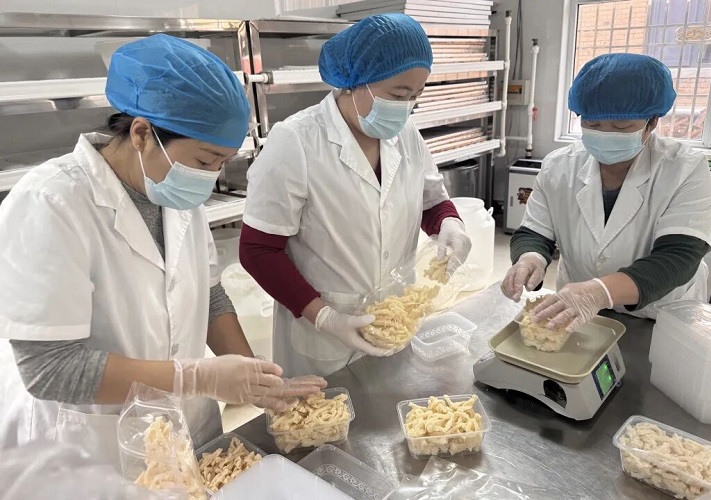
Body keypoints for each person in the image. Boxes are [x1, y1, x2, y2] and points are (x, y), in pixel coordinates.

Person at [0, 34, 325, 465]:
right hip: (101, 447)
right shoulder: (51, 203)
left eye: (223, 163)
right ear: (141, 133)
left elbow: (208, 296)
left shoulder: (172, 190)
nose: (211, 177)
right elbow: (50, 369)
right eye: (205, 161)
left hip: (189, 428)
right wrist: (195, 378)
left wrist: (254, 378)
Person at [240, 14, 472, 377]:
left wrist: (449, 224)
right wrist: (324, 316)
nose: (406, 107)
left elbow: (430, 201)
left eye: (415, 96)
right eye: (398, 95)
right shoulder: (297, 141)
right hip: (322, 337)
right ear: (353, 82)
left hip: (394, 322)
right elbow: (258, 250)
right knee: (325, 410)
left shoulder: (406, 135)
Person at [501, 53, 711, 331]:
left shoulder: (684, 169)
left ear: (652, 122)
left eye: (621, 126)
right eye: (592, 124)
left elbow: (678, 257)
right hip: (578, 312)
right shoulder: (558, 166)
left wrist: (600, 292)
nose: (605, 133)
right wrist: (530, 258)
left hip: (658, 315)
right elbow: (535, 230)